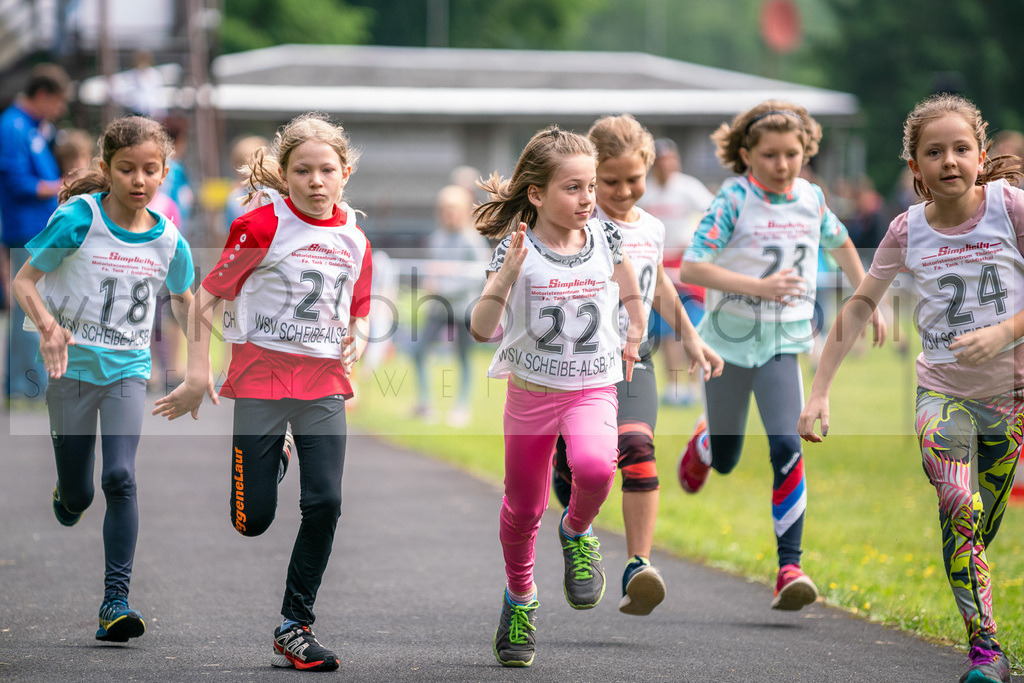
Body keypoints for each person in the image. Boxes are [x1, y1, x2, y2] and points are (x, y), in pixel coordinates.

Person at [799, 93, 1023, 683]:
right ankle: (987, 651)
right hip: (942, 394)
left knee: (975, 522)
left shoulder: (1012, 209)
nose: (948, 161)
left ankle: (969, 558)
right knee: (957, 503)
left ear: (980, 154)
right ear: (915, 168)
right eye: (933, 152)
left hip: (1012, 399)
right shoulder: (906, 229)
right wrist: (819, 391)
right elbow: (857, 307)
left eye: (960, 148)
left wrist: (1003, 331)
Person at [154, 112, 372, 672]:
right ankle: (272, 457)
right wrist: (198, 375)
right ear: (285, 173)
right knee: (252, 521)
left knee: (326, 502)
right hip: (261, 382)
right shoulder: (260, 226)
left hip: (322, 384)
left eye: (327, 170)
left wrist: (360, 334)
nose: (317, 182)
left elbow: (359, 305)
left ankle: (294, 626)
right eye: (304, 171)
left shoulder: (355, 237)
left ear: (345, 173)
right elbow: (206, 299)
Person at [675, 100, 886, 611]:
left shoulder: (812, 198)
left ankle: (789, 567)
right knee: (727, 460)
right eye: (770, 155)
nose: (782, 164)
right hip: (725, 344)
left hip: (783, 344)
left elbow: (840, 244)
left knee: (786, 445)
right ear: (747, 154)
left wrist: (868, 298)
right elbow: (692, 269)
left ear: (805, 152)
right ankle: (707, 441)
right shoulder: (732, 200)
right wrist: (758, 287)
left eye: (792, 154)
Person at [11, 115, 201, 642]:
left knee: (120, 477)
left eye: (149, 170)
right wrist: (48, 327)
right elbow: (24, 280)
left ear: (165, 172)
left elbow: (189, 300)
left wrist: (199, 373)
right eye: (126, 169)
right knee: (80, 496)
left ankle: (115, 602)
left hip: (127, 372)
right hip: (68, 370)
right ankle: (67, 493)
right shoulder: (79, 219)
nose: (138, 181)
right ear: (106, 169)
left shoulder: (169, 240)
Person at [469, 126, 646, 667]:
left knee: (595, 468)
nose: (588, 198)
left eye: (591, 186)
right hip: (531, 394)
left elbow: (629, 285)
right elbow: (480, 328)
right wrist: (505, 278)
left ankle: (577, 531)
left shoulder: (605, 237)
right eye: (574, 188)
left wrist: (634, 331)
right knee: (523, 507)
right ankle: (520, 598)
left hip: (592, 386)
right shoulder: (516, 246)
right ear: (537, 194)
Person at [550, 114, 723, 616]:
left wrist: (690, 337)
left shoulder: (651, 226)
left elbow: (658, 283)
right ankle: (573, 519)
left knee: (637, 445)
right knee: (580, 470)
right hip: (576, 368)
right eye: (611, 182)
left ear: (648, 168)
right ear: (590, 175)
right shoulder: (577, 225)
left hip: (633, 361)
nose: (625, 191)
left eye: (634, 180)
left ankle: (638, 566)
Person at [0, 63, 69, 405]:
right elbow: (15, 181)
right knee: (29, 310)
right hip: (24, 230)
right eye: (56, 103)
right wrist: (58, 187)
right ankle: (26, 386)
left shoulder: (34, 127)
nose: (58, 112)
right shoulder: (12, 126)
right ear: (42, 95)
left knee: (28, 310)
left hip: (37, 230)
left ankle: (22, 385)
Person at [637, 137, 715, 405]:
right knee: (665, 331)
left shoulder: (688, 187)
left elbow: (714, 212)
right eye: (662, 161)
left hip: (684, 262)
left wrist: (700, 241)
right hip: (657, 262)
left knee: (691, 327)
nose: (667, 166)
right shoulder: (643, 190)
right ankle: (674, 386)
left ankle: (695, 387)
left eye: (671, 160)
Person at [410, 184, 490, 426]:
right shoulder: (436, 238)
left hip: (464, 309)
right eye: (445, 209)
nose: (449, 214)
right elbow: (433, 270)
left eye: (454, 209)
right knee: (418, 351)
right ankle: (425, 404)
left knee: (463, 357)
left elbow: (481, 274)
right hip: (438, 308)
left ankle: (461, 408)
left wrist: (444, 285)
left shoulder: (472, 241)